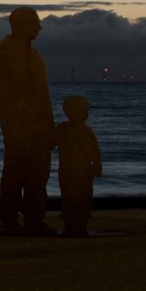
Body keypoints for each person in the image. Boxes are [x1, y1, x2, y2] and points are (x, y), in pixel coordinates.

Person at [0, 7, 56, 236]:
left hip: (39, 126)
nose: (39, 27)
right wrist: (16, 115)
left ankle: (34, 218)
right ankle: (9, 216)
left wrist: (49, 127)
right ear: (21, 25)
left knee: (38, 174)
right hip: (17, 125)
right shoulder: (1, 53)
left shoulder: (35, 57)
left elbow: (44, 95)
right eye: (36, 22)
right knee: (15, 172)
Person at [55, 95, 103, 238]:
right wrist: (97, 166)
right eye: (85, 110)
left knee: (74, 200)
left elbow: (49, 143)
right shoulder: (85, 132)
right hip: (79, 171)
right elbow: (95, 151)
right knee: (78, 200)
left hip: (70, 171)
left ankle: (74, 228)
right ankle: (77, 228)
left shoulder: (63, 129)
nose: (87, 113)